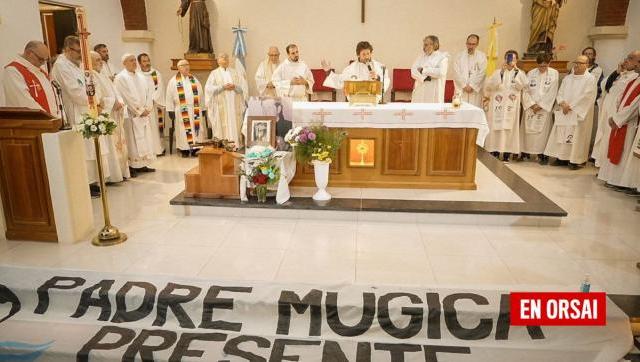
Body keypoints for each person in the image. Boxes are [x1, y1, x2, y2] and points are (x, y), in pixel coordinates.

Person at [52, 36, 104, 197]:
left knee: (89, 148)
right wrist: (94, 102)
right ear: (67, 49)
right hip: (76, 112)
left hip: (88, 109)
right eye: (78, 51)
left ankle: (92, 181)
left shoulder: (79, 64)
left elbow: (93, 83)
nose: (81, 55)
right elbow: (74, 91)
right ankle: (84, 184)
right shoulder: (61, 66)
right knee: (81, 149)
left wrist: (98, 100)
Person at [544, 55, 597, 170]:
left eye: (580, 63)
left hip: (578, 113)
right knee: (562, 134)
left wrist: (571, 106)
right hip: (565, 111)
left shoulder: (590, 79)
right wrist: (562, 103)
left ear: (587, 65)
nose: (577, 65)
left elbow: (587, 96)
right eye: (576, 62)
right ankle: (561, 158)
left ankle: (575, 161)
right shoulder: (568, 78)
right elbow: (560, 92)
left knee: (576, 136)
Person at [592, 54, 639, 167]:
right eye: (626, 59)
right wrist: (617, 72)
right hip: (607, 109)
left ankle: (605, 166)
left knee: (610, 138)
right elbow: (605, 86)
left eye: (630, 59)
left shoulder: (634, 77)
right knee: (603, 137)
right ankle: (601, 163)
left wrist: (618, 116)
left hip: (617, 113)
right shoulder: (621, 74)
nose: (626, 61)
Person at [114, 54, 156, 175]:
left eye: (134, 60)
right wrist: (139, 110)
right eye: (131, 61)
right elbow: (127, 96)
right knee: (132, 140)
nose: (134, 63)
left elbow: (149, 92)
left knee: (145, 139)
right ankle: (133, 165)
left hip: (143, 113)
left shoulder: (140, 76)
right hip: (131, 115)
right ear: (124, 63)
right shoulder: (121, 78)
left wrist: (147, 107)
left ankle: (142, 164)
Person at [483, 50, 528, 161]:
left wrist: (516, 73)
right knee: (496, 127)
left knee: (509, 128)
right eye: (508, 58)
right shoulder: (498, 72)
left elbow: (522, 87)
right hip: (498, 106)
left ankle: (507, 154)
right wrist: (501, 73)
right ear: (505, 59)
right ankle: (495, 151)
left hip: (511, 107)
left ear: (516, 60)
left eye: (513, 59)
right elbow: (490, 86)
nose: (510, 61)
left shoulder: (520, 73)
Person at [90, 51, 127, 183]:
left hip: (113, 112)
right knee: (109, 146)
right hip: (106, 114)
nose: (101, 62)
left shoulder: (102, 74)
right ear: (90, 61)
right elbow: (98, 99)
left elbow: (114, 90)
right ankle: (111, 176)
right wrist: (113, 103)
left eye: (101, 60)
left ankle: (119, 173)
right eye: (98, 60)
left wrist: (120, 101)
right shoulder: (92, 76)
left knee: (117, 145)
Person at [603, 63, 640, 194]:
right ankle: (615, 179)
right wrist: (615, 115)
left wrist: (618, 119)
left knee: (625, 152)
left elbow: (634, 106)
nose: (635, 65)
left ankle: (624, 183)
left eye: (636, 61)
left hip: (630, 123)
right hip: (621, 119)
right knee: (617, 149)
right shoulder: (634, 80)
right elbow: (620, 98)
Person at [1, 40, 59, 117]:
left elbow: (54, 99)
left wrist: (58, 117)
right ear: (29, 53)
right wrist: (48, 118)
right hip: (31, 123)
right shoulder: (13, 71)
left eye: (45, 60)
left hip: (50, 123)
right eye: (41, 59)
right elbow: (23, 101)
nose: (43, 63)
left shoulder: (41, 72)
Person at [520, 53, 559, 164]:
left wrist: (541, 105)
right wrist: (531, 104)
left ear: (549, 63)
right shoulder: (531, 73)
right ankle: (525, 152)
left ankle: (542, 154)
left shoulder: (554, 73)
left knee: (542, 133)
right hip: (530, 107)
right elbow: (525, 90)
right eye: (540, 66)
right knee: (527, 131)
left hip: (544, 108)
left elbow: (553, 91)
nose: (542, 68)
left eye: (545, 66)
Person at [321, 41, 390, 102]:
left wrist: (378, 78)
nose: (366, 57)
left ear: (371, 53)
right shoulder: (351, 68)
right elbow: (339, 81)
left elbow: (386, 80)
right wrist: (328, 72)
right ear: (358, 55)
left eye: (368, 53)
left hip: (373, 100)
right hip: (355, 101)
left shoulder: (379, 67)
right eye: (363, 54)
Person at [165, 59, 207, 156]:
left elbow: (201, 94)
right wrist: (170, 110)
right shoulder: (173, 81)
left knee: (196, 129)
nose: (187, 67)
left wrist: (203, 108)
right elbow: (169, 96)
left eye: (187, 65)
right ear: (179, 68)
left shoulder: (194, 79)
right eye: (184, 65)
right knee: (183, 130)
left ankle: (196, 148)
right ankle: (185, 150)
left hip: (195, 109)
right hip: (181, 109)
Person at [205, 53, 245, 148]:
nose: (225, 60)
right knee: (221, 124)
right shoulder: (214, 73)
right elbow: (208, 88)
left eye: (227, 58)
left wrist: (234, 86)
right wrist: (222, 87)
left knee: (234, 122)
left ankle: (235, 144)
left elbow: (242, 88)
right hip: (220, 105)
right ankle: (223, 145)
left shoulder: (235, 72)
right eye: (222, 58)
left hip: (233, 105)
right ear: (218, 61)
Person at [138, 53, 166, 156]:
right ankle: (149, 150)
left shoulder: (156, 74)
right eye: (144, 61)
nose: (147, 63)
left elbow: (160, 88)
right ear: (140, 63)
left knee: (156, 128)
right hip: (143, 106)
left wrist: (152, 99)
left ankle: (158, 149)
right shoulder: (137, 74)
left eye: (148, 60)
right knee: (147, 129)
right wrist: (145, 102)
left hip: (154, 105)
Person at [411, 35, 449, 103]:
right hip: (420, 89)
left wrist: (424, 70)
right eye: (425, 44)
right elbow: (413, 71)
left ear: (435, 45)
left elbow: (441, 72)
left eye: (429, 44)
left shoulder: (442, 57)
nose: (426, 47)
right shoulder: (421, 57)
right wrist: (424, 78)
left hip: (434, 90)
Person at [452, 34, 487, 107]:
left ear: (477, 44)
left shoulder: (482, 56)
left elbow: (482, 73)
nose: (470, 46)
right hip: (461, 90)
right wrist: (464, 85)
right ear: (466, 43)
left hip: (474, 91)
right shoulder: (459, 56)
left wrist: (472, 86)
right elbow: (456, 73)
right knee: (459, 111)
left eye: (473, 44)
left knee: (474, 112)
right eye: (469, 44)